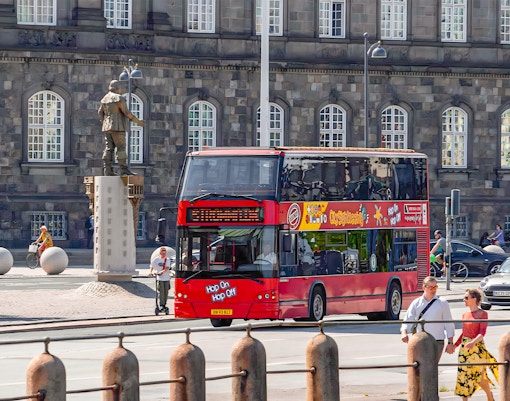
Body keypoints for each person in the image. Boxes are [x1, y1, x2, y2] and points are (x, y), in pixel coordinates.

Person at [454, 289, 499, 401]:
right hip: (465, 348)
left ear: (474, 299)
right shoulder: (465, 314)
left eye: (466, 298)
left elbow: (482, 332)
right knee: (463, 376)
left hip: (477, 347)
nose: (464, 300)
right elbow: (464, 333)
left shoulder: (482, 314)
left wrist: (473, 342)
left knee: (479, 376)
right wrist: (455, 345)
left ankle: (490, 397)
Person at [400, 276, 456, 364]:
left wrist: (450, 342)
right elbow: (408, 319)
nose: (433, 290)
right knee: (420, 369)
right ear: (424, 287)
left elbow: (448, 323)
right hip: (420, 341)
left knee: (431, 368)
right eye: (430, 287)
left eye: (435, 287)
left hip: (437, 341)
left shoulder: (442, 303)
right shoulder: (416, 302)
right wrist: (404, 333)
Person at [98, 79, 145, 176]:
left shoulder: (104, 99)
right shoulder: (119, 98)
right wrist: (139, 122)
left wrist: (104, 122)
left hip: (107, 127)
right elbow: (127, 113)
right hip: (117, 126)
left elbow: (100, 112)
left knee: (109, 148)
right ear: (117, 88)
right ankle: (124, 169)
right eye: (120, 88)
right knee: (121, 147)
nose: (121, 90)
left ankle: (108, 170)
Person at [149, 247, 171, 312]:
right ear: (160, 253)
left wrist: (162, 271)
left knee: (166, 292)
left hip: (166, 278)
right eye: (162, 253)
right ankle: (161, 304)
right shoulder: (157, 259)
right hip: (160, 278)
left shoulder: (167, 259)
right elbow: (152, 265)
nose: (164, 254)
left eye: (165, 253)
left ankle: (164, 304)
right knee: (161, 292)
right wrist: (150, 272)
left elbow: (167, 267)